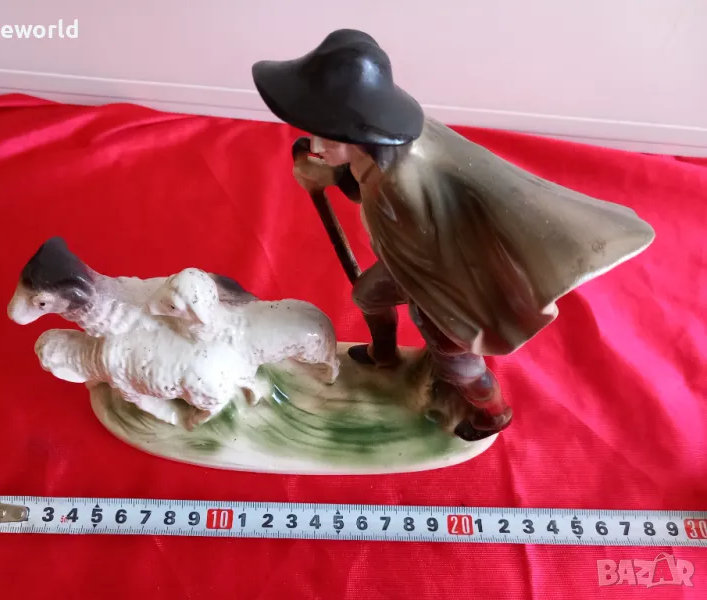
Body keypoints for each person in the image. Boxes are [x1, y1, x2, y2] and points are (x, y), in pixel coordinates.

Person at [251, 29, 656, 440]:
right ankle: (383, 354)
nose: (315, 143)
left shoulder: (399, 183)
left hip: (450, 291)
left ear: (358, 132)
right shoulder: (375, 156)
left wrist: (433, 314)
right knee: (367, 296)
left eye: (326, 135)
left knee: (458, 363)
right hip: (408, 267)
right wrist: (329, 174)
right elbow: (366, 194)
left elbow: (427, 255)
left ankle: (494, 412)